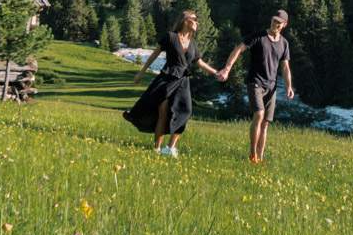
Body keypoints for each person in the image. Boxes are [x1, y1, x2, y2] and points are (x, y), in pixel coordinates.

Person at [122, 10, 220, 156]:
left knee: (185, 111)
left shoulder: (192, 44)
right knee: (163, 112)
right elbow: (154, 55)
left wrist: (216, 73)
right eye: (194, 19)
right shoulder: (170, 37)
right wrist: (141, 73)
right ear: (185, 20)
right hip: (167, 78)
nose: (197, 22)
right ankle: (157, 148)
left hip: (183, 81)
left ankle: (170, 148)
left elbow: (199, 62)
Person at [218, 9, 294, 163]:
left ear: (284, 25)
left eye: (279, 23)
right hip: (255, 82)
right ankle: (252, 155)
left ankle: (260, 157)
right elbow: (239, 49)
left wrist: (288, 86)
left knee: (265, 123)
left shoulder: (284, 44)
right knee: (259, 114)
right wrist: (227, 68)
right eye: (274, 21)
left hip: (271, 87)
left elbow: (285, 67)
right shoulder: (259, 37)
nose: (275, 24)